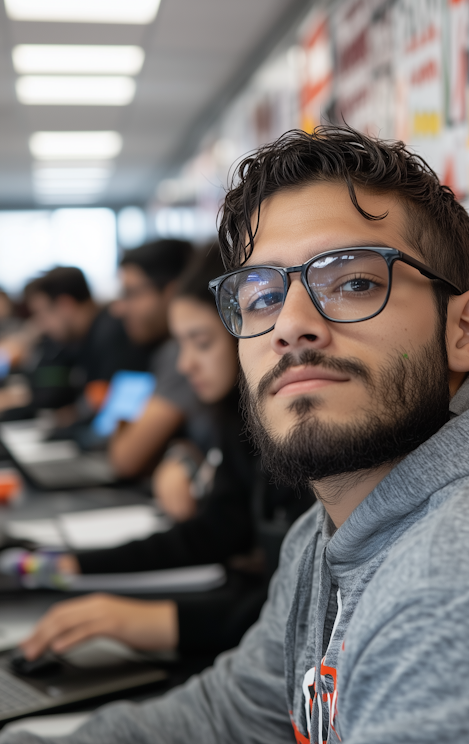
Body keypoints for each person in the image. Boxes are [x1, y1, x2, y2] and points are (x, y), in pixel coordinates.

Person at [3, 126, 469, 744]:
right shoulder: (326, 530)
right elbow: (227, 716)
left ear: (466, 331)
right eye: (260, 295)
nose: (291, 325)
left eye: (355, 283)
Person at [14, 247, 311, 659]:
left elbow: (298, 614)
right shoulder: (234, 423)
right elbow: (215, 530)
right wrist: (76, 565)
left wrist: (142, 620)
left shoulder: (302, 441)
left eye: (201, 343)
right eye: (181, 345)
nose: (186, 366)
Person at [109, 239, 199, 477]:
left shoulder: (180, 354)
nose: (120, 308)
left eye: (132, 293)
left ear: (172, 291)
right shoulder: (157, 349)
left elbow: (125, 458)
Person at [22, 267, 148, 420]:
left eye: (43, 314)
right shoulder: (86, 336)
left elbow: (103, 399)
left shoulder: (110, 334)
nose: (42, 326)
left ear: (65, 305)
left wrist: (69, 417)